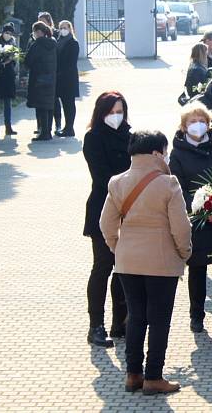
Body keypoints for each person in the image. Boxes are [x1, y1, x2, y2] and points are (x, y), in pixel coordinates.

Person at [99, 130, 192, 396]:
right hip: (162, 264)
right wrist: (183, 253)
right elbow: (181, 228)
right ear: (156, 153)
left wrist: (119, 248)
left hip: (128, 262)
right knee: (159, 320)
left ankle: (132, 375)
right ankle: (153, 377)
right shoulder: (168, 184)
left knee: (136, 317)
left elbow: (106, 224)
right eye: (164, 151)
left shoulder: (117, 182)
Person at [168, 102, 212, 332]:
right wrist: (200, 210)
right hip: (196, 222)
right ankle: (196, 316)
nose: (198, 126)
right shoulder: (177, 154)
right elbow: (177, 187)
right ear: (184, 125)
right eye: (192, 121)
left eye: (202, 121)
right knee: (197, 271)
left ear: (208, 124)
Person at [83, 91, 131, 347]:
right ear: (101, 113)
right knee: (103, 266)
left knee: (123, 268)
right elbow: (101, 176)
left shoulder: (131, 135)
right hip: (103, 208)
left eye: (120, 111)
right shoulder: (93, 137)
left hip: (130, 210)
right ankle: (95, 325)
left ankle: (120, 322)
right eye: (111, 112)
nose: (116, 117)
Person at [25, 21, 57, 141]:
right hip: (51, 77)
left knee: (41, 105)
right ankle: (48, 131)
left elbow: (28, 61)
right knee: (48, 104)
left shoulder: (37, 45)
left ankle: (43, 132)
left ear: (38, 32)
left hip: (38, 78)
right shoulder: (53, 43)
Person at [53, 20, 80, 137]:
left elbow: (71, 62)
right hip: (59, 78)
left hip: (69, 78)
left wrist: (61, 71)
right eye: (61, 28)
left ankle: (70, 127)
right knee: (63, 103)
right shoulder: (58, 42)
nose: (63, 30)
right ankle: (65, 127)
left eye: (65, 28)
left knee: (69, 103)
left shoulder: (73, 43)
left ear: (70, 29)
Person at [0, 23, 18, 137]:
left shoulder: (13, 42)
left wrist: (11, 58)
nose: (8, 35)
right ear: (3, 32)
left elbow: (15, 59)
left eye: (10, 33)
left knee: (8, 102)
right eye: (7, 32)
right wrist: (1, 63)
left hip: (8, 76)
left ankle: (8, 127)